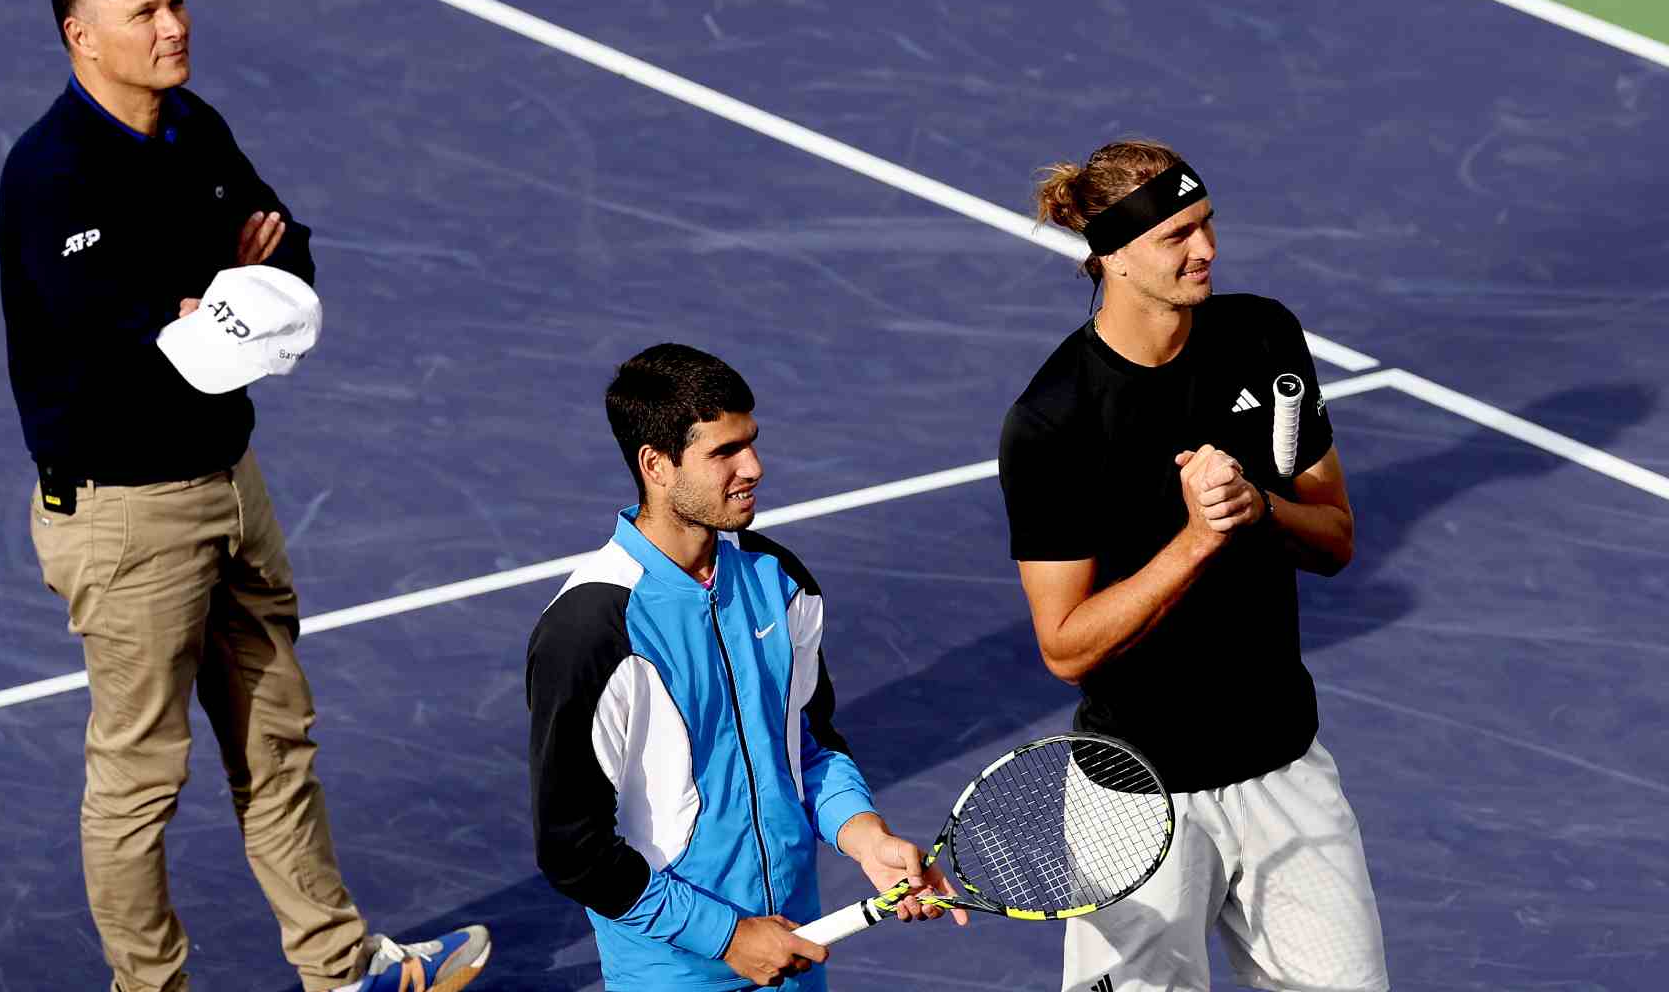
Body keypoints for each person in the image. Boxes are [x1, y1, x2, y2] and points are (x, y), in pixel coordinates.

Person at [0, 0, 488, 992]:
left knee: (278, 741)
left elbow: (283, 248)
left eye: (176, 2)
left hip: (230, 482)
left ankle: (342, 968)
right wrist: (217, 295)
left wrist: (216, 300)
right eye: (144, 14)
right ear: (81, 38)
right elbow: (127, 347)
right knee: (139, 781)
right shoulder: (53, 177)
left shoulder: (193, 126)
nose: (173, 26)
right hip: (127, 516)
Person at [998, 140, 1387, 992]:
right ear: (1113, 257)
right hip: (1138, 799)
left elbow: (1335, 538)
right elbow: (1065, 647)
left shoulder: (1262, 336)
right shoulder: (1055, 421)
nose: (1204, 248)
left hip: (1285, 767)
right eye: (1177, 234)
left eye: (1206, 222)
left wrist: (1259, 509)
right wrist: (1198, 539)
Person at [526, 344, 961, 990]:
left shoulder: (779, 582)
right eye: (724, 452)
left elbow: (808, 747)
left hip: (794, 946)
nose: (753, 466)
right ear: (657, 466)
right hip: (674, 973)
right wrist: (726, 936)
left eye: (751, 442)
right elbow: (574, 851)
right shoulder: (590, 630)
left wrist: (866, 836)